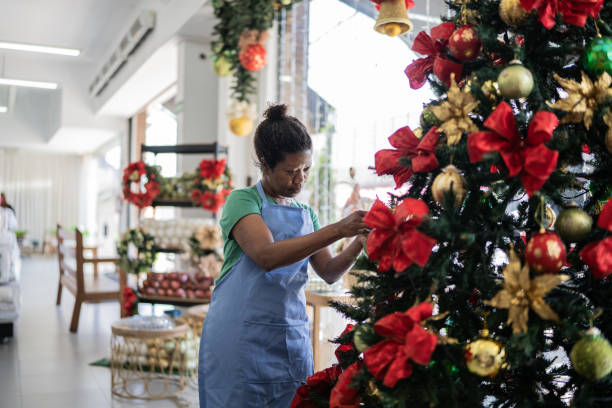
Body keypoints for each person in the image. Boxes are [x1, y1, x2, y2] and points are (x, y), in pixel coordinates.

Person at [198, 104, 369, 407]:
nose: (300, 179)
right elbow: (266, 255)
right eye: (291, 171)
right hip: (240, 338)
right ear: (265, 164)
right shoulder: (243, 201)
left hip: (289, 338)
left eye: (305, 169)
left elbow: (329, 271)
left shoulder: (306, 214)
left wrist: (358, 241)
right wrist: (338, 229)